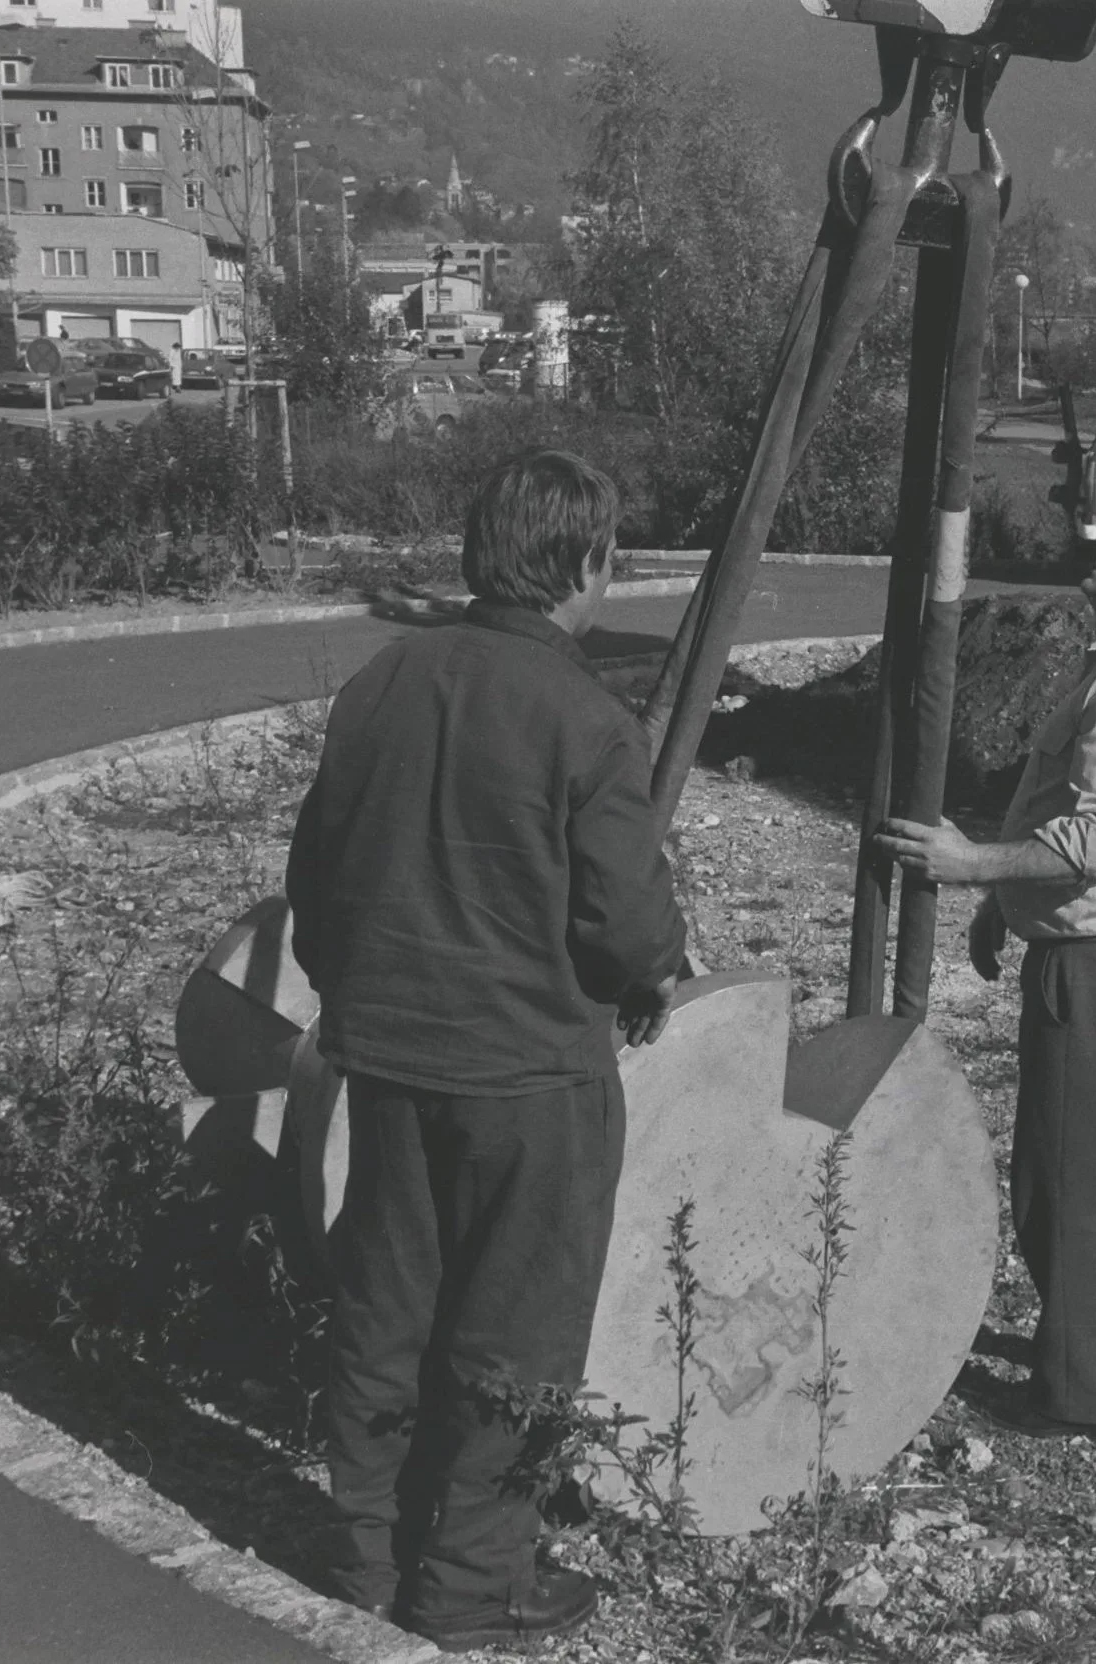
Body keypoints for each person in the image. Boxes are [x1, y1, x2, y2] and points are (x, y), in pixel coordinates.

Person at [286, 450, 685, 1651]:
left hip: (391, 1058)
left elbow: (318, 872)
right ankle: (471, 1581)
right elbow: (621, 917)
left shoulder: (383, 681)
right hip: (530, 1074)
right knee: (516, 1331)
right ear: (586, 563)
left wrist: (353, 986)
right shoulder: (586, 716)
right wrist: (657, 971)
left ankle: (358, 1554)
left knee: (387, 1303)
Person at [873, 497, 1096, 1440]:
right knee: (1087, 1150)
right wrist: (1008, 903)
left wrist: (971, 866)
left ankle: (1085, 1396)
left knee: (1056, 1178)